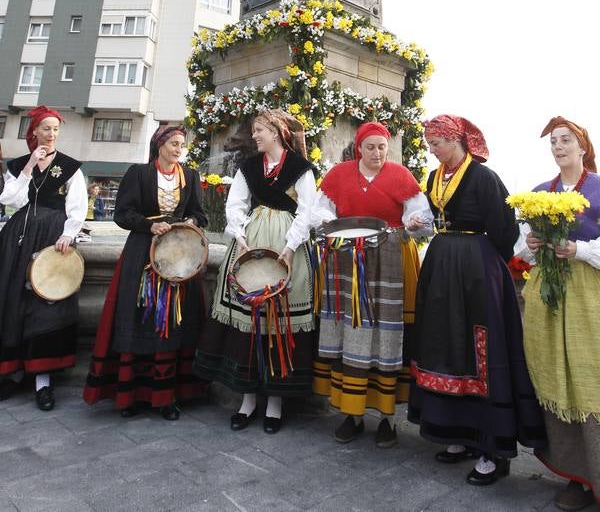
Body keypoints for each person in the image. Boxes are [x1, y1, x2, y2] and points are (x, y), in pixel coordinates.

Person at [408, 115, 546, 486]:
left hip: (475, 269)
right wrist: (422, 225)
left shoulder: (484, 178)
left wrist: (488, 267)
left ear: (456, 140)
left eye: (435, 142)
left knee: (479, 347)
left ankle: (491, 449)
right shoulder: (435, 177)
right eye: (429, 142)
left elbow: (504, 230)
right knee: (445, 344)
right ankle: (457, 433)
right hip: (442, 264)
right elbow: (433, 215)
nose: (430, 148)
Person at [193, 110, 317, 434]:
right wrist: (242, 239)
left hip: (287, 245)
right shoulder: (249, 166)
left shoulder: (300, 169)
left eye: (260, 130)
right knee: (247, 325)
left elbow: (307, 211)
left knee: (278, 323)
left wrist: (289, 249)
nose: (255, 136)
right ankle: (247, 401)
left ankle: (275, 403)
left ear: (276, 132)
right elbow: (235, 205)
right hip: (251, 242)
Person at [311, 121, 433, 447]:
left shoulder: (401, 176)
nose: (377, 153)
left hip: (391, 262)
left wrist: (414, 222)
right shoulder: (339, 175)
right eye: (371, 147)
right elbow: (320, 209)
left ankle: (387, 419)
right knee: (350, 332)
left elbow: (420, 217)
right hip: (347, 262)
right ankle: (352, 414)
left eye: (382, 147)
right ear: (359, 148)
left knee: (387, 335)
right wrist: (326, 221)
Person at [83, 125, 207, 420]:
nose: (179, 149)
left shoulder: (189, 176)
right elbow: (122, 214)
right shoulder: (138, 173)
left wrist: (187, 221)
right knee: (141, 316)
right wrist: (150, 225)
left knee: (173, 323)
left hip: (178, 255)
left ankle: (167, 395)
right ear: (160, 144)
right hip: (142, 253)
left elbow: (201, 214)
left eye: (182, 145)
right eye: (175, 143)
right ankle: (132, 394)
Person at [515, 117, 600, 512]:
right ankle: (575, 476)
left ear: (583, 147)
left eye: (566, 140)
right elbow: (522, 252)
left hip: (587, 296)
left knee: (589, 377)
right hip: (549, 296)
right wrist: (532, 241)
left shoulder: (599, 190)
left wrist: (578, 250)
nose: (559, 146)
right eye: (553, 141)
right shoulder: (539, 194)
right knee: (555, 374)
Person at [0, 106, 87, 410]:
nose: (51, 135)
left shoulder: (70, 167)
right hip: (17, 240)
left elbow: (78, 207)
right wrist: (28, 167)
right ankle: (12, 373)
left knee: (45, 308)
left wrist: (68, 234)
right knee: (13, 304)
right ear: (34, 132)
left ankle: (43, 382)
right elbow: (9, 200)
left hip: (52, 239)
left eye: (56, 130)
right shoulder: (18, 165)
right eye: (46, 129)